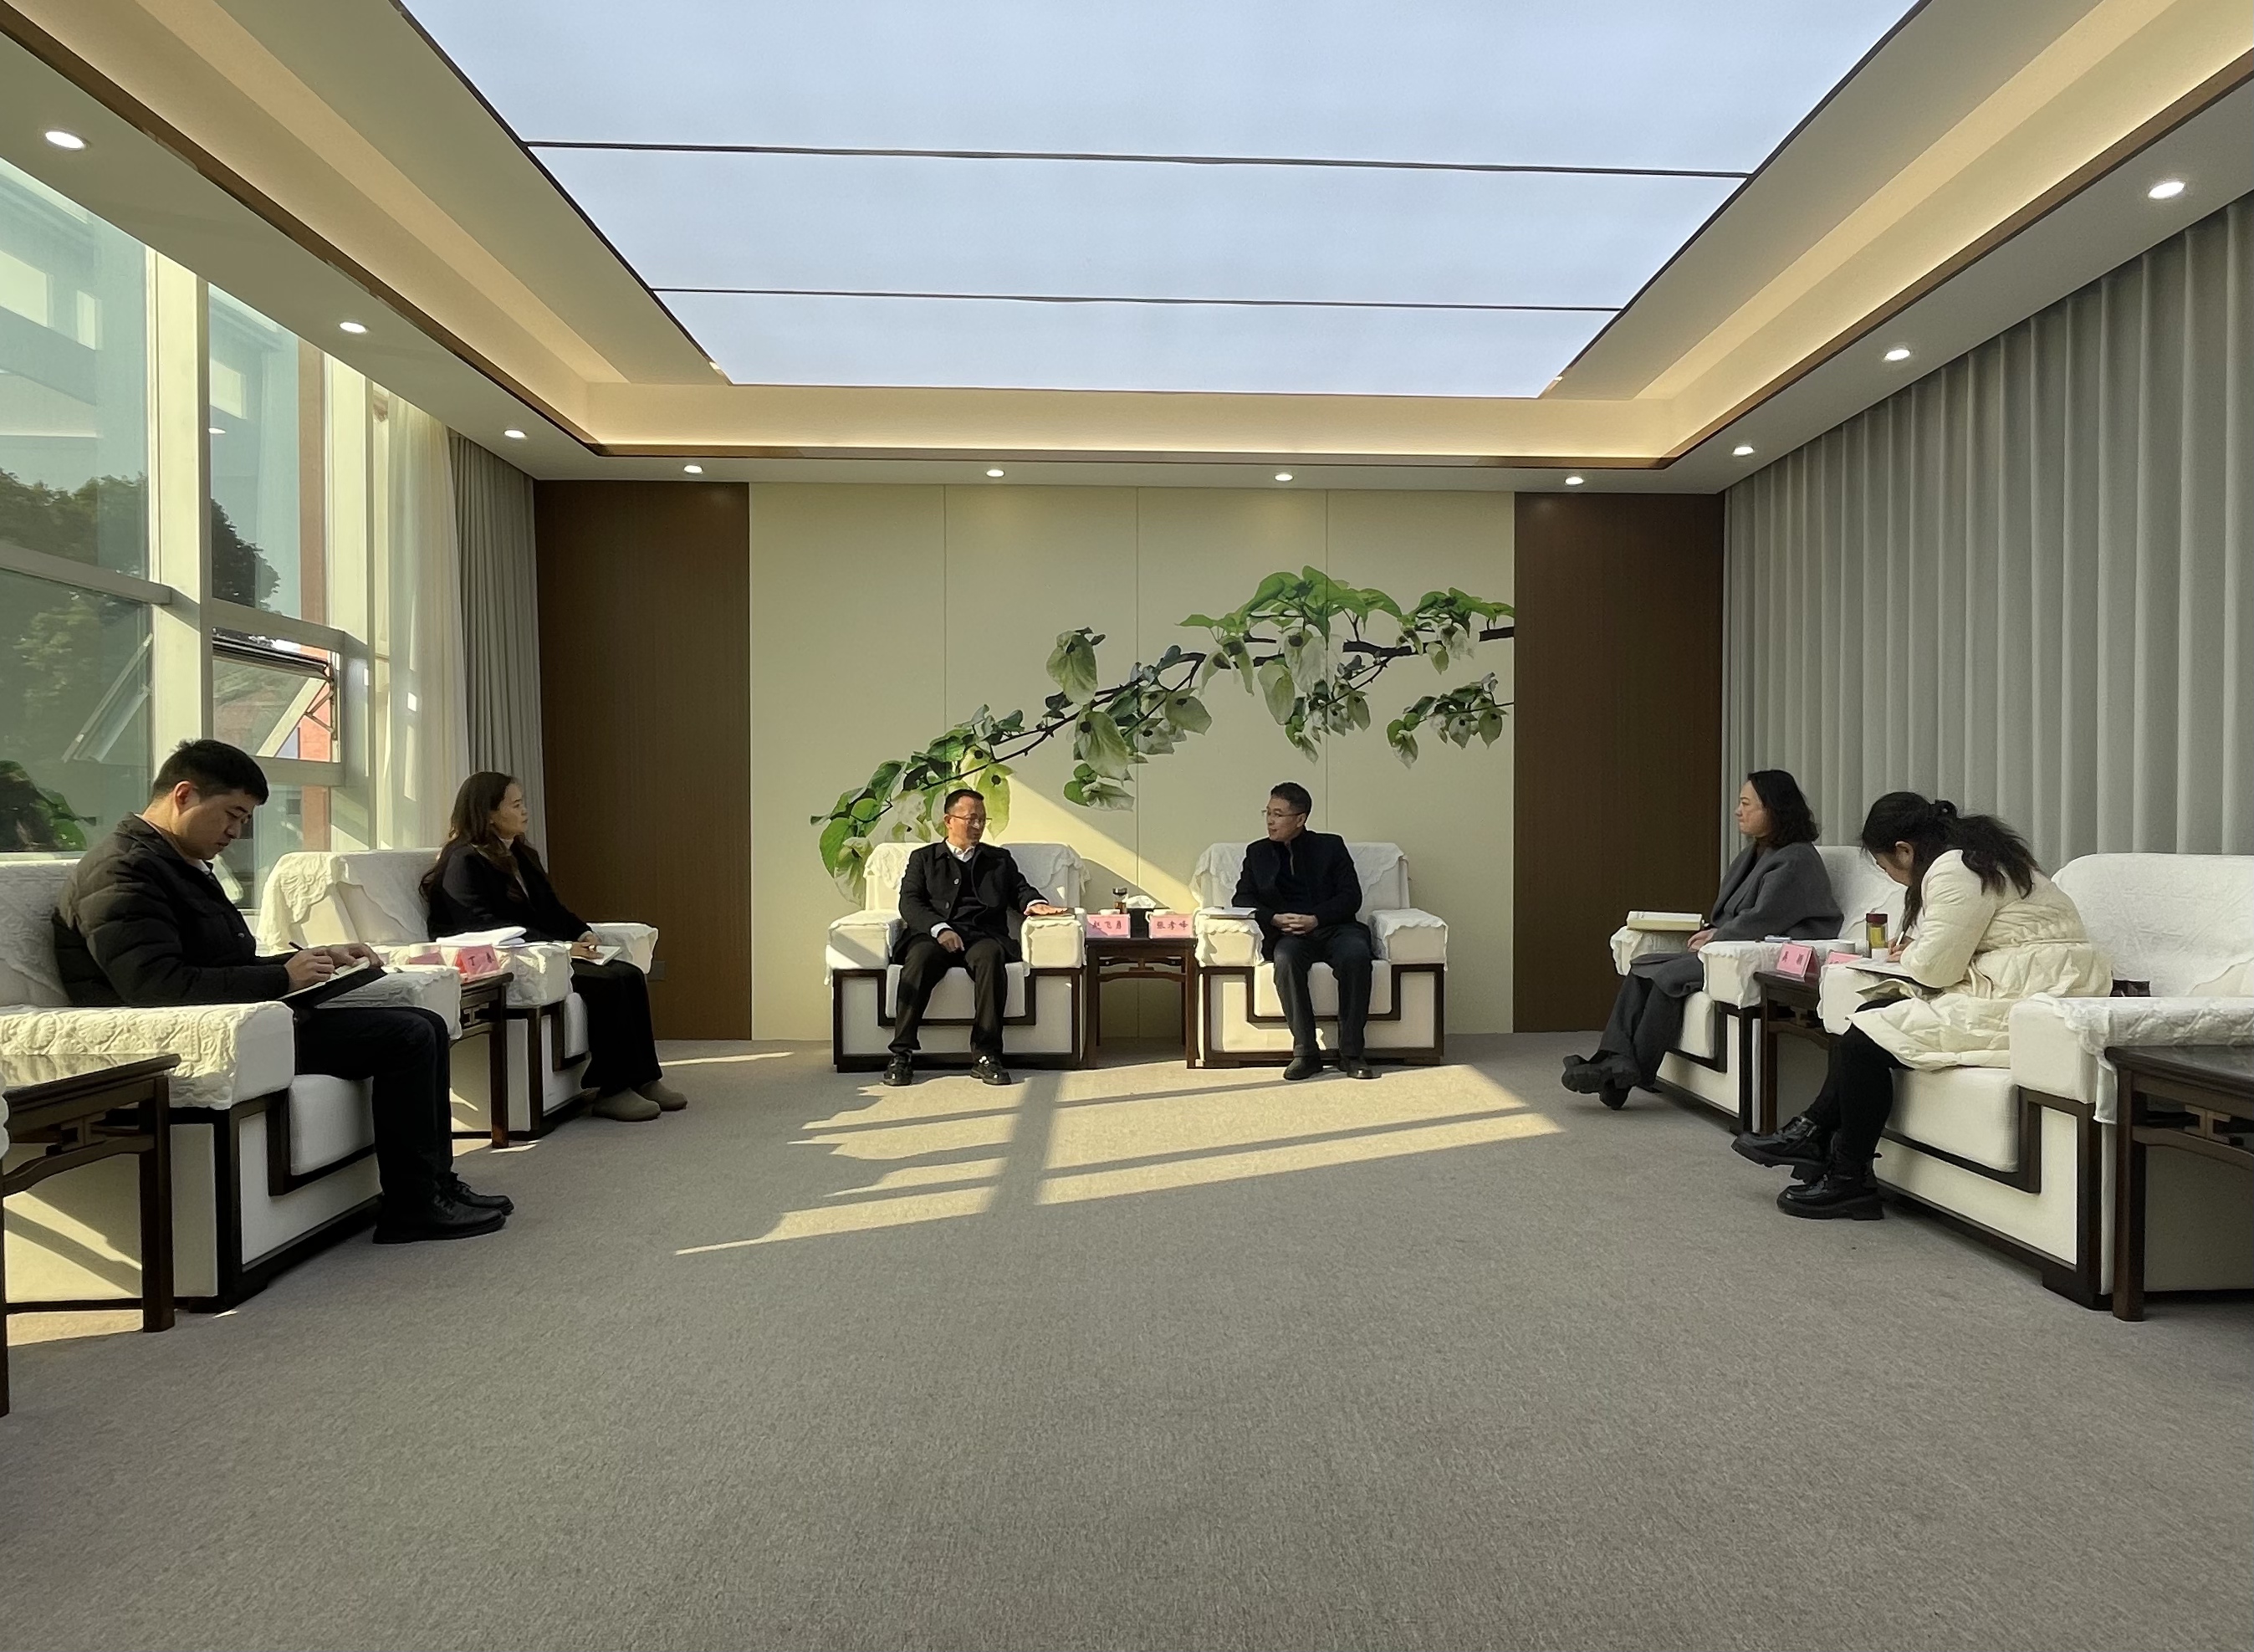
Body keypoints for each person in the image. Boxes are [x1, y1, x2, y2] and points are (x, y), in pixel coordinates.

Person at [52, 740, 508, 1243]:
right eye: (233, 815)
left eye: (245, 820)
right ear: (184, 795)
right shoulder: (121, 871)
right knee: (409, 1036)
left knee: (424, 1025)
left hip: (243, 1021)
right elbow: (155, 986)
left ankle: (436, 1185)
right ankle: (414, 1205)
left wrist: (316, 959)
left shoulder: (177, 864)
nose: (236, 832)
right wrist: (282, 978)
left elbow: (220, 966)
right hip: (194, 1040)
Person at [1732, 792, 2108, 1219]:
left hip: (2032, 996)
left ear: (1904, 851)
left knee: (1862, 1041)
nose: (1892, 878)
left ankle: (1847, 1176)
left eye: (1885, 866)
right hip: (2032, 983)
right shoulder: (1979, 856)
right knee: (1868, 1017)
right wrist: (1918, 950)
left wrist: (1911, 953)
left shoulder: (1954, 869)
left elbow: (1935, 969)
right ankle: (1814, 1135)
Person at [1563, 770, 1840, 1110]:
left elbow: (1764, 919)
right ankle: (1614, 1060)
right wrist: (1715, 932)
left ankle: (1625, 1072)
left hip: (1763, 954)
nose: (1738, 811)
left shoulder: (1796, 859)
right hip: (1732, 945)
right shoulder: (1757, 852)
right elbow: (1739, 914)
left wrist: (1719, 935)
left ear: (1773, 809)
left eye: (1746, 804)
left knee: (1668, 977)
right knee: (1642, 966)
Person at [422, 772, 685, 1123]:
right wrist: (561, 947)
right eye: (516, 805)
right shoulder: (463, 861)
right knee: (607, 983)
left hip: (547, 951)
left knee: (629, 974)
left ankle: (645, 1078)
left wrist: (582, 933)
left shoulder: (520, 854)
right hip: (510, 960)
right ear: (488, 814)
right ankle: (613, 1089)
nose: (525, 811)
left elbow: (553, 910)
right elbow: (482, 927)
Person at [885, 789, 1069, 1088]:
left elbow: (1019, 889)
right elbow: (910, 902)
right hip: (933, 935)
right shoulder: (924, 858)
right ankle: (901, 1054)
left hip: (982, 935)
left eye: (982, 820)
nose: (978, 826)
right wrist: (940, 929)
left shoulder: (998, 859)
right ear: (949, 820)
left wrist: (1035, 904)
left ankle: (986, 1055)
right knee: (918, 959)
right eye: (971, 819)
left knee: (990, 956)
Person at [1232, 782, 1377, 1082]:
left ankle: (1352, 1054)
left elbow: (1351, 897)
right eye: (1267, 813)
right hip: (1289, 934)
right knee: (1285, 959)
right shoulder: (1257, 852)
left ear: (1300, 818)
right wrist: (1274, 919)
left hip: (1335, 927)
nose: (1270, 821)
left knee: (1356, 955)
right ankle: (1306, 1054)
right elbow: (1242, 899)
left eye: (1278, 814)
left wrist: (1316, 919)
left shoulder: (1331, 846)